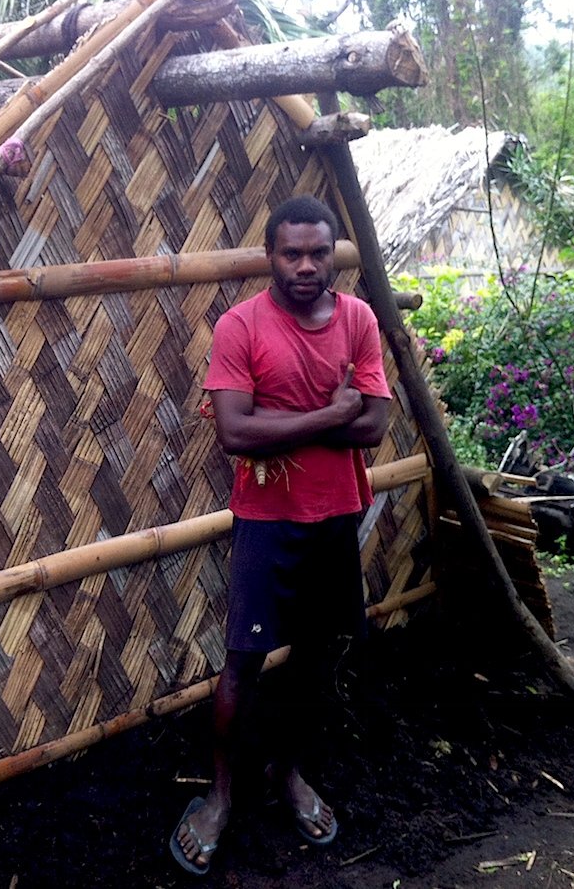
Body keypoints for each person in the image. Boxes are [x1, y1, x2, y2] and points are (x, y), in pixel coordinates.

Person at [171, 195, 391, 875]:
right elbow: (235, 433)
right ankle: (222, 793)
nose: (304, 266)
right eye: (291, 253)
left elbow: (375, 427)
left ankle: (288, 773)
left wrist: (294, 421)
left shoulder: (357, 319)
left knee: (318, 657)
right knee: (242, 660)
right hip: (266, 518)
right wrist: (333, 412)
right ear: (270, 256)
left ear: (333, 256)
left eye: (317, 253)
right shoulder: (241, 327)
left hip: (336, 511)